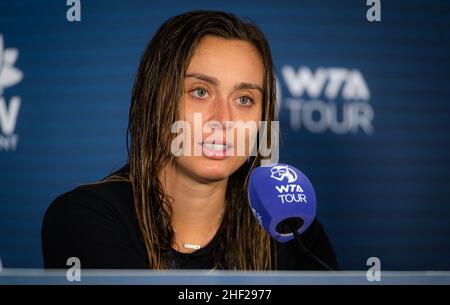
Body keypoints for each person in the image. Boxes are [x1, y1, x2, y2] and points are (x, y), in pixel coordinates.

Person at [42, 10, 339, 270]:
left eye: (245, 99)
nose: (224, 120)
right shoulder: (85, 218)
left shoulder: (291, 230)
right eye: (200, 91)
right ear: (155, 98)